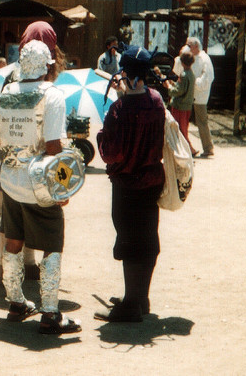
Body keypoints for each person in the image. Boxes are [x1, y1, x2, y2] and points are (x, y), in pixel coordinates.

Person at [0, 39, 81, 335]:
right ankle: (51, 313)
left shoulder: (6, 92)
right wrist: (61, 188)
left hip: (10, 179)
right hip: (39, 182)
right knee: (52, 244)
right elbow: (53, 146)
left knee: (13, 239)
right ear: (46, 65)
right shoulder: (52, 95)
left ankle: (16, 302)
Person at [95, 45, 165, 323]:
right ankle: (140, 297)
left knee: (129, 241)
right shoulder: (157, 100)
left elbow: (111, 154)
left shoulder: (118, 110)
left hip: (126, 185)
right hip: (151, 182)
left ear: (123, 72)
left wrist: (101, 135)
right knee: (147, 238)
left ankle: (131, 306)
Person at [164, 51, 197, 155]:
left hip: (180, 106)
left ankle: (188, 150)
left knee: (179, 130)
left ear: (182, 62)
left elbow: (178, 91)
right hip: (187, 106)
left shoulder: (183, 75)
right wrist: (174, 84)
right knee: (184, 128)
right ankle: (189, 149)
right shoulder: (191, 74)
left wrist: (169, 87)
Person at [187, 37, 215, 157]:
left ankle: (208, 148)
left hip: (200, 95)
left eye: (190, 46)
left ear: (196, 46)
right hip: (192, 93)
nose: (188, 48)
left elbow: (207, 77)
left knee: (201, 122)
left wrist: (195, 82)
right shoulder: (194, 57)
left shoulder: (204, 59)